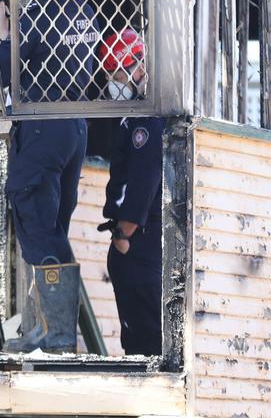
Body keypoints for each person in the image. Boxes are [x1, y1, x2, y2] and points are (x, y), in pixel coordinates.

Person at [0, 0, 98, 351]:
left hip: (42, 127)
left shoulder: (38, 16)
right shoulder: (87, 13)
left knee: (36, 221)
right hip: (75, 128)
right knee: (55, 230)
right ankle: (53, 331)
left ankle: (57, 337)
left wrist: (3, 39)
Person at [97, 28, 163, 356]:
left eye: (115, 73)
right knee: (135, 339)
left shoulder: (143, 122)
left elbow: (143, 181)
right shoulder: (131, 118)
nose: (112, 81)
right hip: (133, 249)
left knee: (147, 341)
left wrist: (124, 234)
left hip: (139, 247)